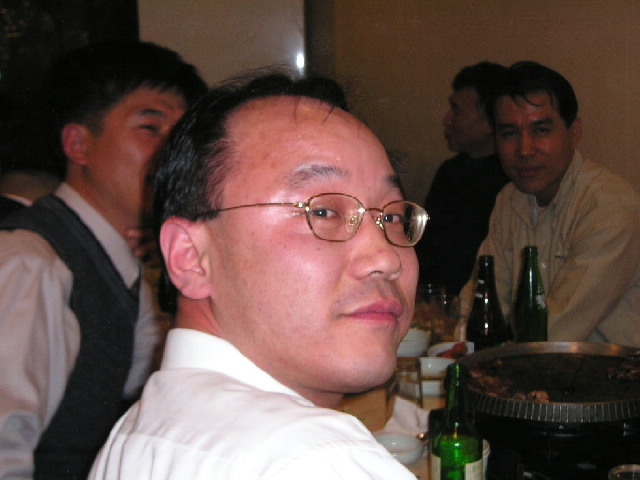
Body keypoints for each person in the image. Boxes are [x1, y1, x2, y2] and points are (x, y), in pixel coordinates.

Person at [89, 72, 428, 479]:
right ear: (190, 257)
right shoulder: (315, 461)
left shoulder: (135, 438)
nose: (386, 258)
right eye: (322, 211)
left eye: (392, 217)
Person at [0, 40, 207, 479]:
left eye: (180, 136)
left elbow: (147, 384)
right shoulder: (32, 262)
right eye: (150, 128)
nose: (172, 154)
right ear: (79, 144)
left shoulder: (120, 260)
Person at [462, 61, 640, 347]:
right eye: (509, 133)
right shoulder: (510, 198)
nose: (524, 150)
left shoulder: (609, 205)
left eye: (541, 130)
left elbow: (556, 332)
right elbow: (484, 300)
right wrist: (456, 341)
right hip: (538, 365)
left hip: (612, 370)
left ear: (574, 133)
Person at [415, 62, 510, 295]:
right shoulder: (449, 172)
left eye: (457, 110)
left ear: (490, 122)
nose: (447, 119)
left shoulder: (510, 180)